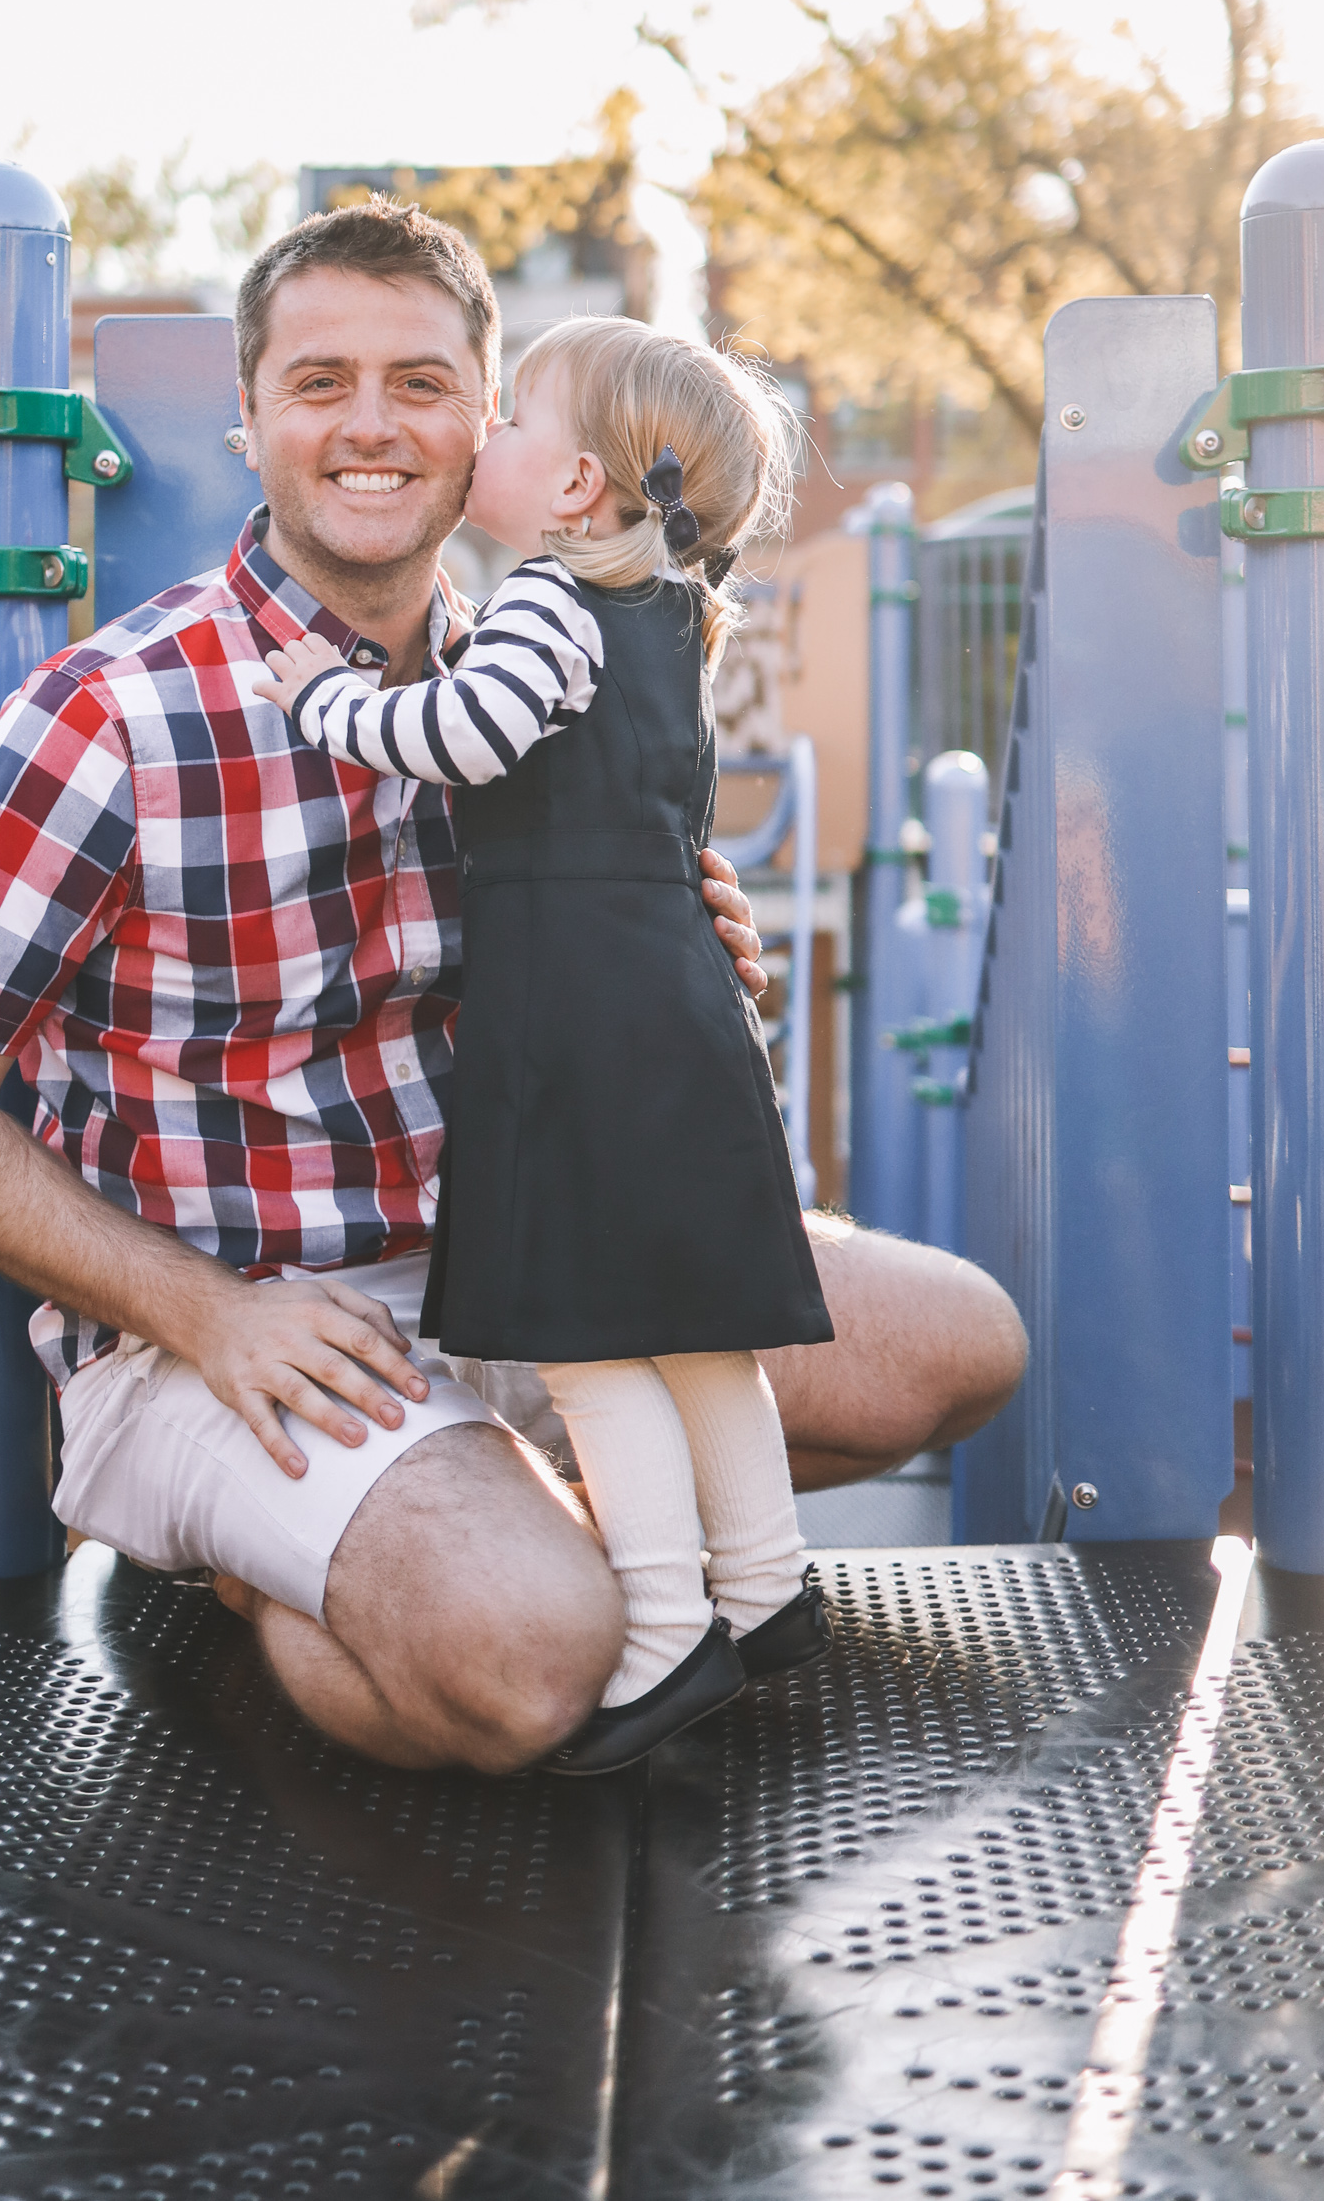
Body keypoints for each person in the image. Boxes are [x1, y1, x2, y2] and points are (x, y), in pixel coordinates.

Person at [0, 192, 1027, 1777]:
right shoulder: (109, 717)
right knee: (538, 1657)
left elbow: (603, 952)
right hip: (248, 1320)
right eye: (319, 381)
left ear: (492, 428)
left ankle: (491, 1512)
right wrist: (205, 1316)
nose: (369, 425)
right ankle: (285, 1562)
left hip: (528, 1251)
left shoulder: (554, 669)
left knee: (961, 1345)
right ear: (251, 419)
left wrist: (686, 948)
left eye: (420, 383)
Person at [254, 317, 832, 1771]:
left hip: (576, 1015)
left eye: (510, 425)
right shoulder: (667, 621)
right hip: (667, 1004)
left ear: (576, 487)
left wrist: (320, 699)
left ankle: (660, 1631)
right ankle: (765, 1587)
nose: (486, 443)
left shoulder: (546, 604)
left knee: (587, 1345)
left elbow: (468, 737)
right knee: (695, 1331)